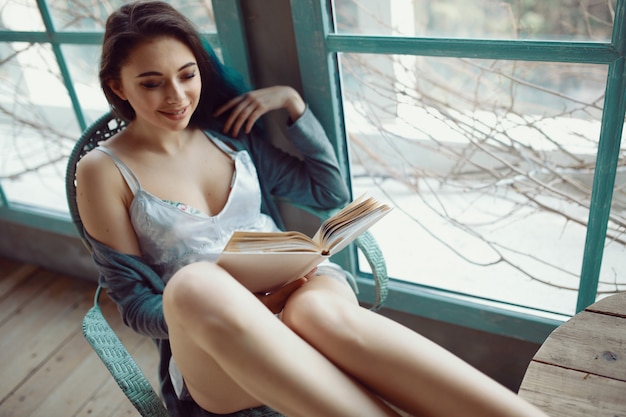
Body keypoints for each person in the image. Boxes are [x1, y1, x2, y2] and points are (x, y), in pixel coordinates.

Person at [75, 2, 550, 417]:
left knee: (319, 315)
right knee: (197, 283)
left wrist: (292, 106)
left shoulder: (228, 138)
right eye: (152, 83)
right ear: (117, 85)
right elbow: (135, 306)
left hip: (300, 292)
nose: (177, 97)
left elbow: (327, 191)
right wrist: (248, 303)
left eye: (187, 74)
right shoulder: (102, 171)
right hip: (213, 337)